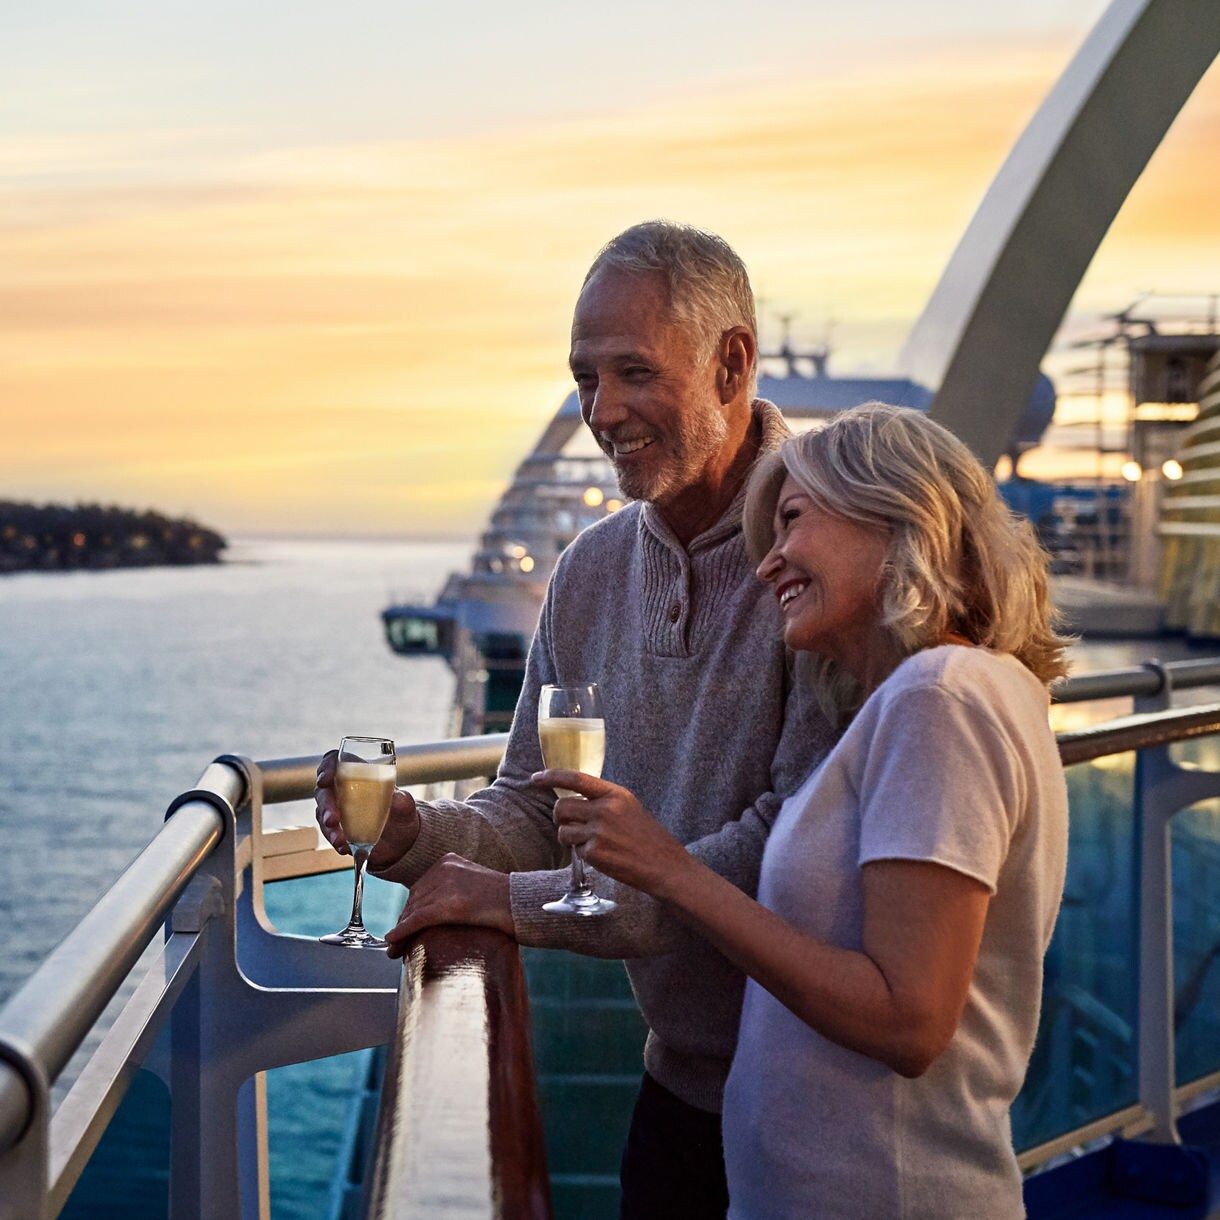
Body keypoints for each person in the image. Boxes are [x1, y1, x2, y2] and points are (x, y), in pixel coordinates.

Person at [315, 221, 833, 1217]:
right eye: (583, 378)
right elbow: (528, 806)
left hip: (817, 1109)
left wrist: (506, 904)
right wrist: (422, 833)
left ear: (732, 362)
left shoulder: (821, 550)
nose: (602, 411)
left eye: (633, 371)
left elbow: (784, 854)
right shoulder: (589, 572)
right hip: (676, 1087)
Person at [539, 403, 1071, 1218]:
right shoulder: (929, 697)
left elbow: (908, 1021)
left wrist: (673, 872)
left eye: (791, 522)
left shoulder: (943, 698)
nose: (767, 564)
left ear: (897, 511)